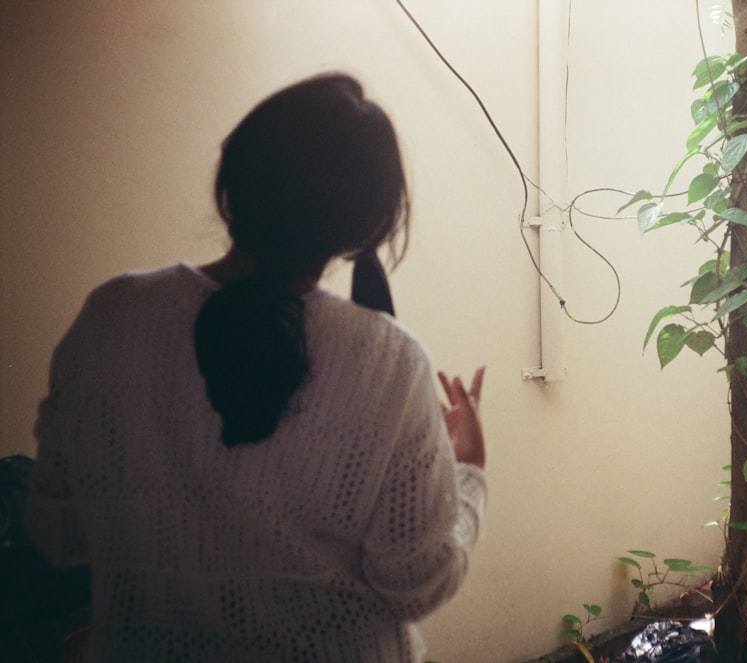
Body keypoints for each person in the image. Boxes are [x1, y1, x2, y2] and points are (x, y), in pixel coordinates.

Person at [24, 72, 486, 662]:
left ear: (230, 176)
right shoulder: (390, 364)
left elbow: (58, 535)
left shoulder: (112, 317)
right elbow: (417, 585)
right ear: (365, 226)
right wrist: (468, 474)